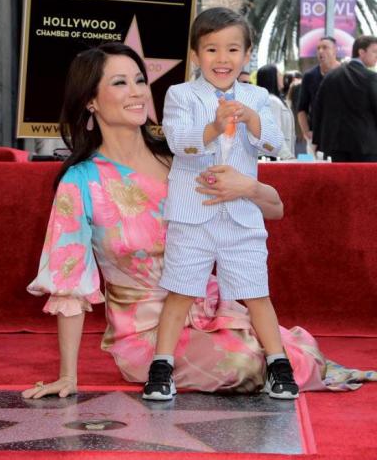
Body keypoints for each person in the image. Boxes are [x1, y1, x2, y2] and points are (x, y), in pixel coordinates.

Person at [22, 42, 375, 402]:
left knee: (286, 353)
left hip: (214, 310)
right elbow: (69, 281)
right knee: (243, 363)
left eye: (140, 80)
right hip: (145, 332)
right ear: (90, 101)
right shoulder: (81, 181)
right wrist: (68, 375)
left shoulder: (182, 157)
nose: (137, 92)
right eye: (119, 83)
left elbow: (275, 209)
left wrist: (249, 187)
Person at [143, 7, 299, 402]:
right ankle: (161, 366)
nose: (222, 58)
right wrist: (214, 126)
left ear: (247, 55)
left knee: (256, 292)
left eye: (232, 49)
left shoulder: (258, 97)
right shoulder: (180, 95)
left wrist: (252, 120)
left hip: (241, 216)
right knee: (179, 291)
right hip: (192, 216)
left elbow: (275, 144)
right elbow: (179, 142)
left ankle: (278, 364)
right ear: (195, 54)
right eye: (211, 49)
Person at [312, 35, 377, 162]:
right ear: (361, 52)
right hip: (365, 147)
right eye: (374, 51)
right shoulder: (371, 78)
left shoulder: (330, 77)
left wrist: (317, 142)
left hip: (334, 147)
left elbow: (318, 109)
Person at [297, 36, 340, 156]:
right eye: (318, 48)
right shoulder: (309, 76)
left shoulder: (345, 73)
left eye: (325, 47)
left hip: (341, 137)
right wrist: (306, 132)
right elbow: (302, 108)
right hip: (317, 138)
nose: (320, 51)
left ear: (335, 50)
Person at [256, 64, 296, 159]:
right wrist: (287, 156)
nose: (282, 76)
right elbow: (273, 135)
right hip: (275, 158)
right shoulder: (271, 101)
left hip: (277, 157)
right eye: (279, 74)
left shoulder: (274, 100)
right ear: (272, 77)